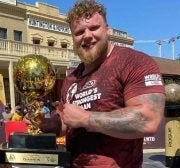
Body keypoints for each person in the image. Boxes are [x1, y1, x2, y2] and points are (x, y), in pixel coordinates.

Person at [46, 0, 165, 167]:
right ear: (73, 37)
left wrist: (86, 118)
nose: (87, 35)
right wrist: (49, 124)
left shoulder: (134, 62)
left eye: (94, 28)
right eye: (79, 32)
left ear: (107, 30)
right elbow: (68, 124)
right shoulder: (71, 78)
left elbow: (148, 119)